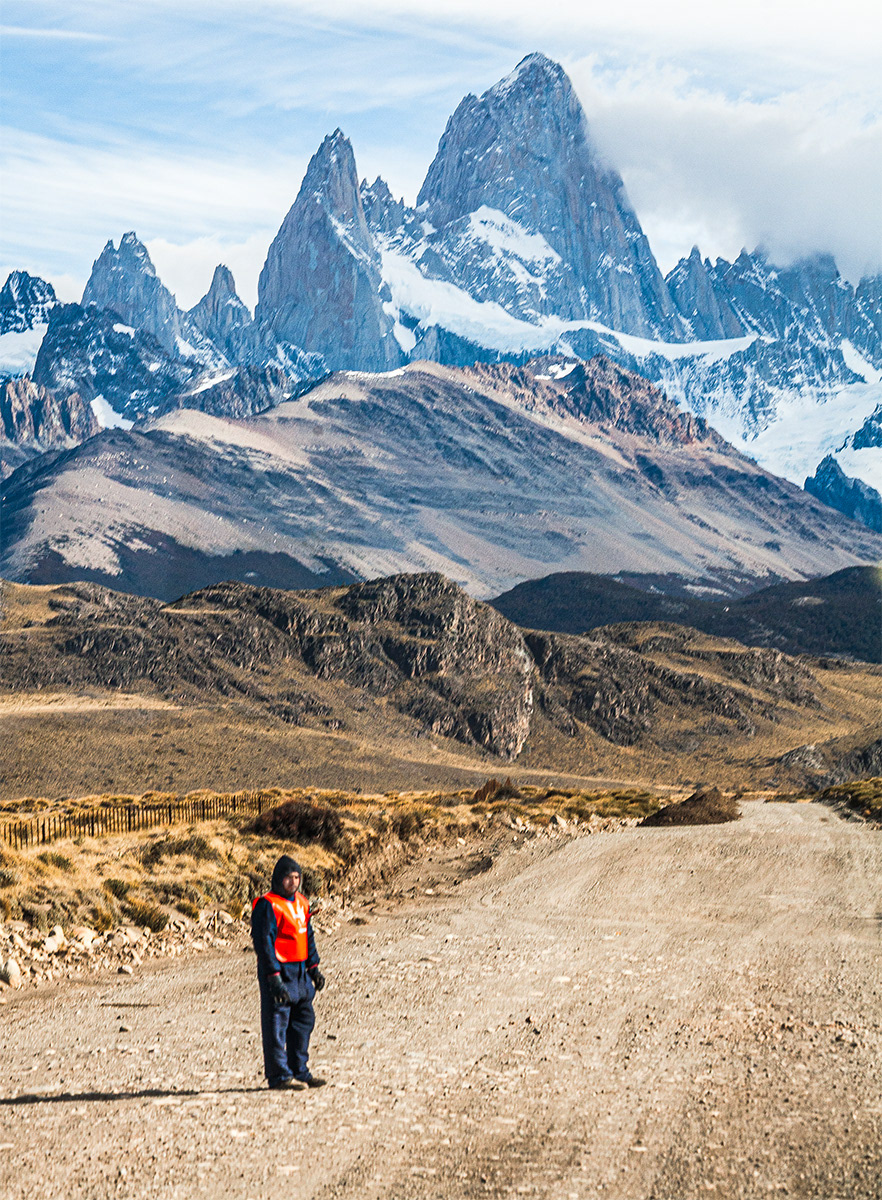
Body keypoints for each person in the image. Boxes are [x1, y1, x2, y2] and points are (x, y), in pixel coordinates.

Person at [251, 854, 326, 1090]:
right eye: (288, 878)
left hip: (301, 971)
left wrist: (314, 969)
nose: (293, 882)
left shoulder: (301, 902)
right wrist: (272, 977)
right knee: (276, 1025)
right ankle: (279, 1075)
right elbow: (263, 942)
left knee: (303, 1022)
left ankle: (299, 1071)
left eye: (297, 877)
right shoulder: (268, 904)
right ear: (278, 879)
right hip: (279, 971)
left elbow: (307, 936)